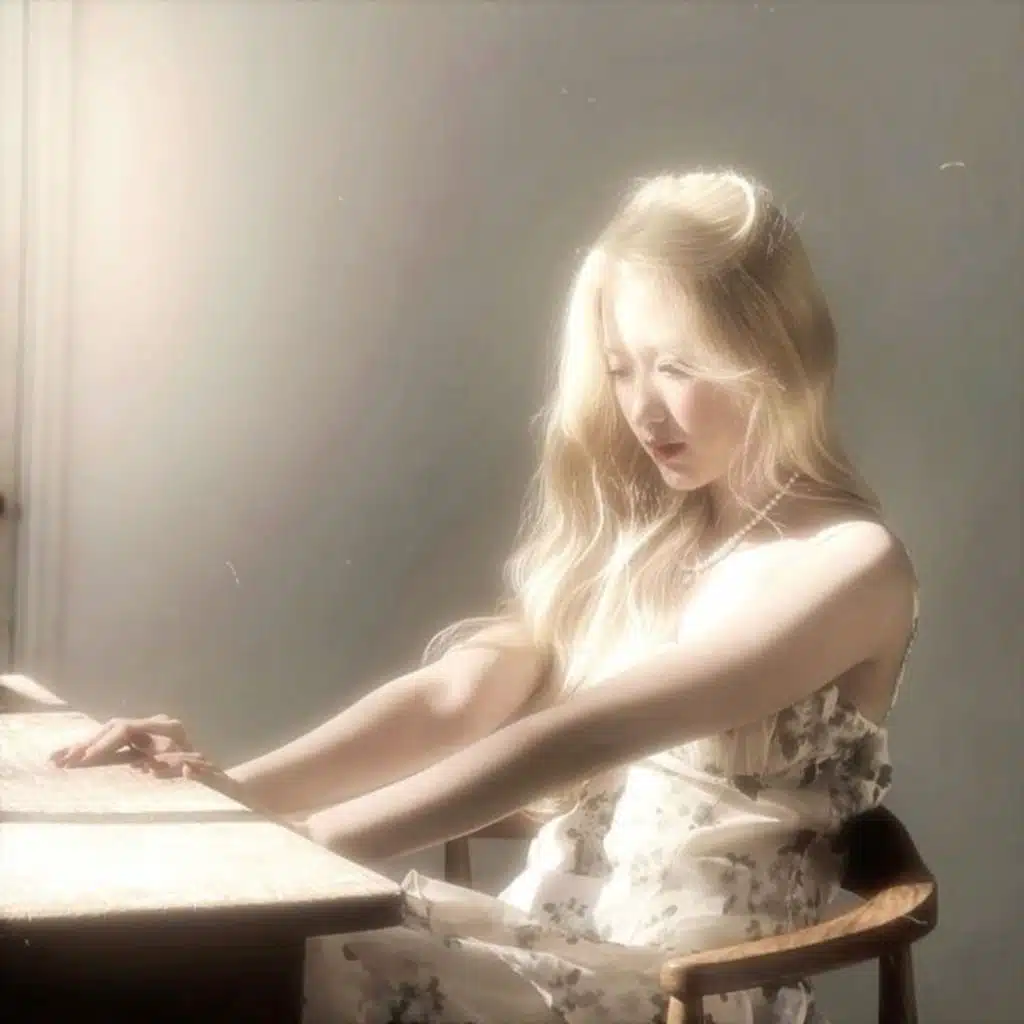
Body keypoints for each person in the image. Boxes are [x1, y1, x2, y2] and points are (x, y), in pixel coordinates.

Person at [51, 168, 919, 1024]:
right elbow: (452, 697)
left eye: (676, 366)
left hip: (678, 996)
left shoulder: (851, 566)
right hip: (553, 955)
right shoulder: (649, 548)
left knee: (258, 952)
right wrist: (224, 801)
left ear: (770, 354)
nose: (643, 409)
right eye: (621, 369)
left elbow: (585, 735)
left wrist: (299, 854)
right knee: (199, 950)